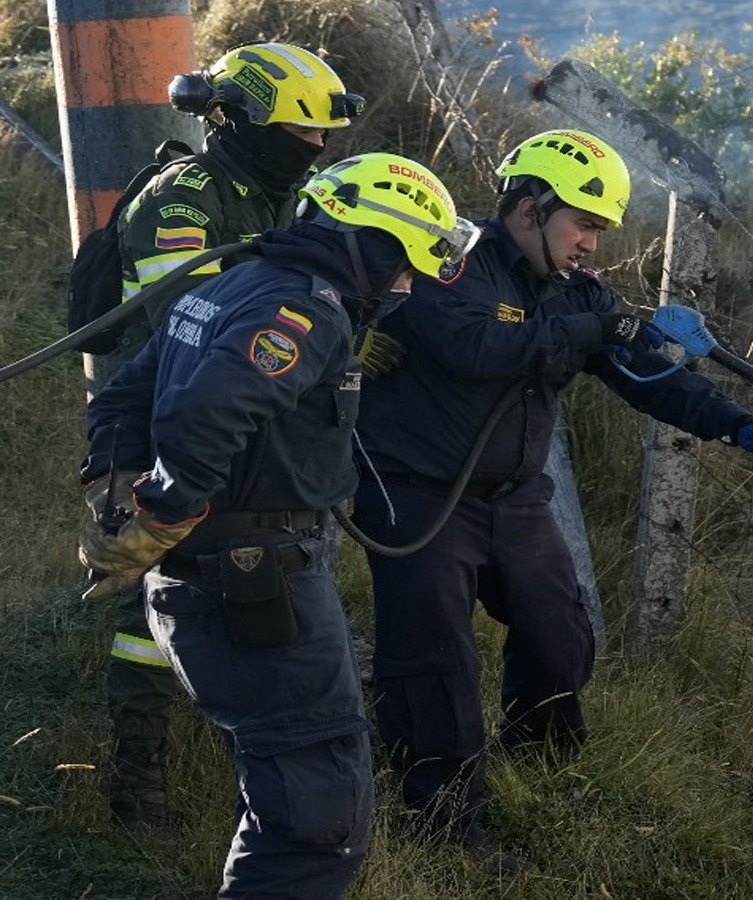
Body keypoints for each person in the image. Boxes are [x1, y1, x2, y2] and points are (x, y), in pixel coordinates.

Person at [350, 129, 753, 850]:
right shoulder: (447, 264)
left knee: (560, 637)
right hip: (420, 493)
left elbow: (642, 374)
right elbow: (475, 349)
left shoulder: (576, 293)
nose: (592, 244)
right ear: (530, 208)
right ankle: (442, 819)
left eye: (600, 230)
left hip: (515, 497)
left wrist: (735, 425)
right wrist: (595, 326)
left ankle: (536, 764)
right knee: (436, 662)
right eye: (584, 224)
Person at [78, 152, 479, 897]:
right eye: (407, 264)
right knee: (314, 807)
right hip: (256, 575)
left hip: (214, 576)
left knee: (283, 781)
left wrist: (112, 489)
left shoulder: (233, 284)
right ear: (376, 244)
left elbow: (124, 395)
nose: (408, 285)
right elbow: (208, 411)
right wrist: (167, 505)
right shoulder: (307, 309)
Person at [95, 41, 364, 831]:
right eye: (302, 133)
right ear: (240, 119)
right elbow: (187, 328)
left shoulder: (289, 195)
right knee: (143, 601)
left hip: (249, 424)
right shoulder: (183, 201)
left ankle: (250, 745)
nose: (317, 148)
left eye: (323, 137)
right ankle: (136, 774)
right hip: (158, 420)